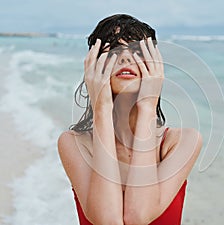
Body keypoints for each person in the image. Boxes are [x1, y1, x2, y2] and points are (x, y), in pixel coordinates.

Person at [57, 14, 202, 225]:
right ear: (93, 67)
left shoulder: (182, 142)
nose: (125, 58)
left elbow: (137, 216)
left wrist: (147, 106)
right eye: (112, 50)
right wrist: (102, 108)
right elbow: (108, 221)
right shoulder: (74, 143)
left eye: (137, 51)